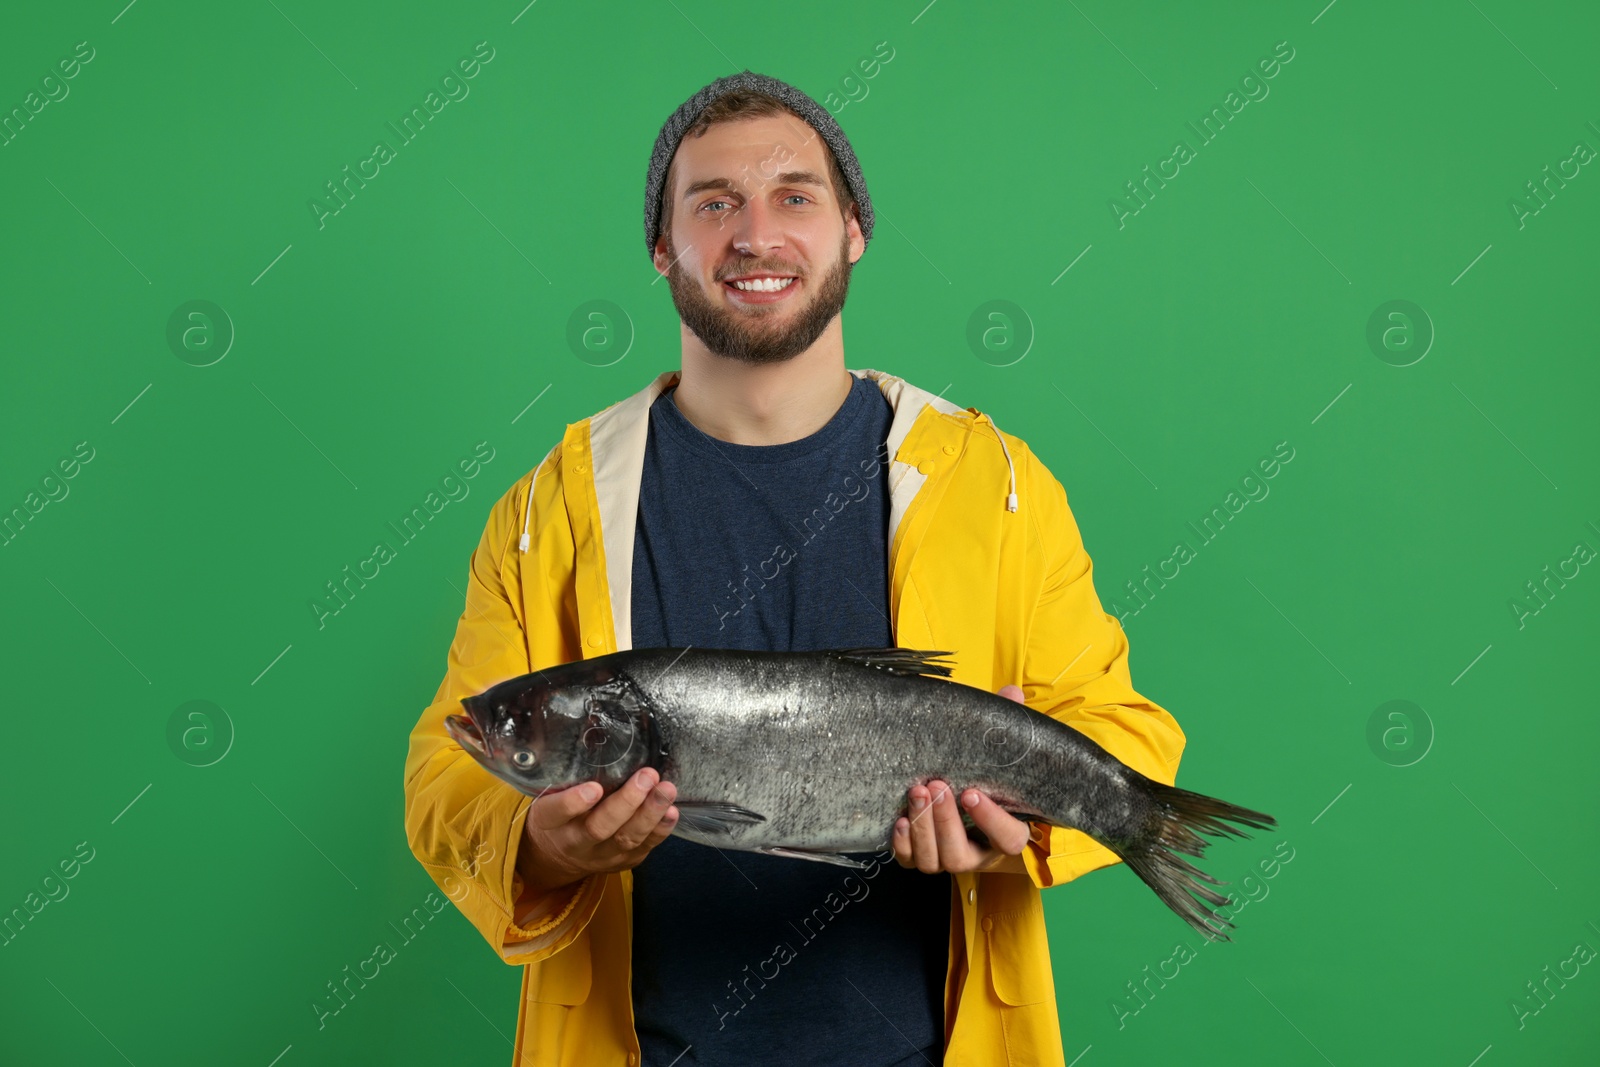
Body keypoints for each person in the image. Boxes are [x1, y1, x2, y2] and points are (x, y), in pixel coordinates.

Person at [403, 71, 1187, 1067]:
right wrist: (546, 848)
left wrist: (1019, 827)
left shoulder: (995, 483)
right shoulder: (546, 507)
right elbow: (444, 767)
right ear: (662, 247)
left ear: (853, 229)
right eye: (713, 202)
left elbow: (1124, 730)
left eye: (795, 197)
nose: (755, 235)